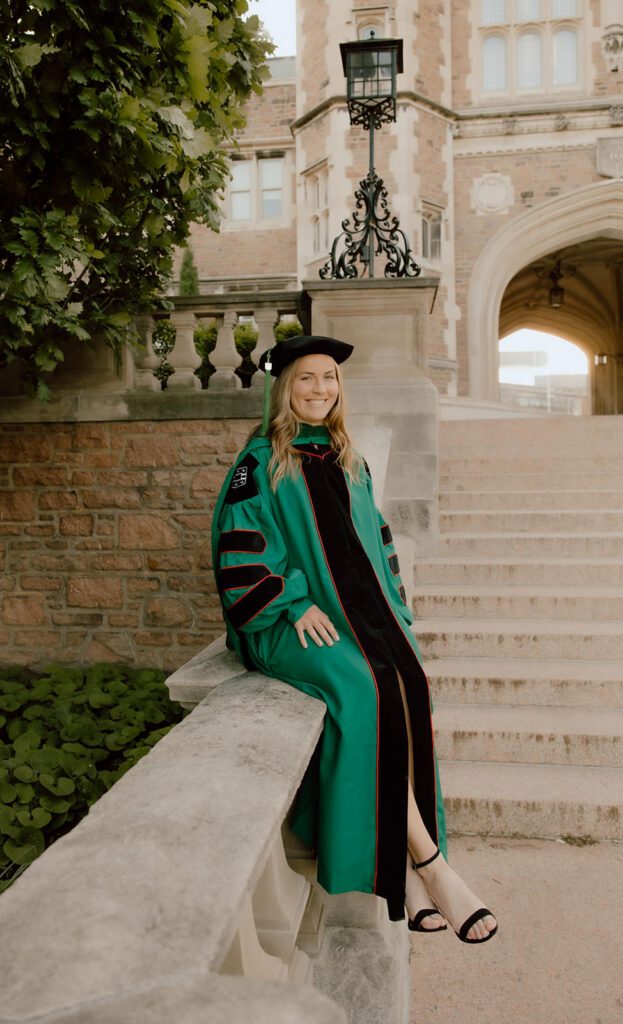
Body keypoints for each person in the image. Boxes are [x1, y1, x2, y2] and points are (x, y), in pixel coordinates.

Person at [211, 335, 497, 943]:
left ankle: (406, 871)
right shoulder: (259, 461)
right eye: (306, 379)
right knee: (366, 689)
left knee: (409, 681)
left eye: (329, 379)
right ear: (284, 389)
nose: (320, 389)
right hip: (289, 623)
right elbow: (237, 543)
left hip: (359, 618)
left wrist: (395, 612)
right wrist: (289, 600)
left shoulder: (349, 459)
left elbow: (378, 542)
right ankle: (432, 866)